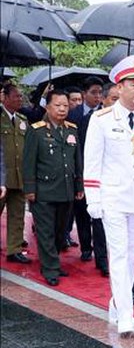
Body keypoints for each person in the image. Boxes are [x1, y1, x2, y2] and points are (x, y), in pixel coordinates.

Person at [83, 55, 134, 334]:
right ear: (119, 86)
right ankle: (126, 315)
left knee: (132, 257)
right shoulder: (101, 119)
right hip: (113, 198)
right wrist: (93, 198)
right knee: (118, 255)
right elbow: (92, 161)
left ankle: (117, 304)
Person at [23, 89, 84, 286]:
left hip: (66, 189)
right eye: (57, 105)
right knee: (45, 231)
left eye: (65, 106)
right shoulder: (37, 130)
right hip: (44, 190)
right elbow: (28, 161)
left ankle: (52, 261)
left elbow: (77, 160)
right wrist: (30, 189)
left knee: (60, 232)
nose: (62, 109)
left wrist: (79, 185)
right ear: (47, 107)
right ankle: (50, 268)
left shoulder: (72, 129)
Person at [67, 76, 109, 274]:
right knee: (82, 212)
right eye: (94, 93)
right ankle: (86, 247)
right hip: (80, 170)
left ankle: (102, 260)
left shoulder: (105, 115)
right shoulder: (73, 115)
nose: (97, 96)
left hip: (101, 173)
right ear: (84, 94)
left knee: (99, 217)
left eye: (100, 93)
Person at [1, 83, 31, 264]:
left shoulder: (22, 120)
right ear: (5, 97)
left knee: (17, 214)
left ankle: (14, 249)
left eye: (21, 96)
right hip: (2, 176)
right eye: (16, 96)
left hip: (19, 175)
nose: (19, 99)